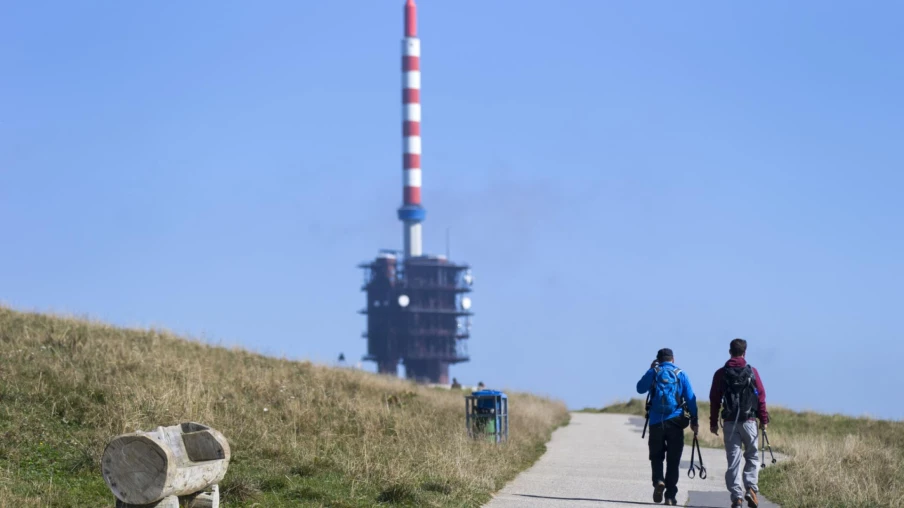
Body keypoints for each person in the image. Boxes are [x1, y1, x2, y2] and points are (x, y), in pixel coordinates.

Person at [709, 338, 769, 508]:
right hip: (749, 421)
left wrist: (713, 423)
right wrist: (763, 420)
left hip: (729, 423)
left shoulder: (721, 373)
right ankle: (750, 488)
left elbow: (715, 400)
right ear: (745, 352)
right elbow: (761, 397)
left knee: (733, 460)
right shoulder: (752, 371)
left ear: (730, 352)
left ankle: (737, 497)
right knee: (751, 456)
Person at [636, 348, 699, 505]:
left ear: (658, 359)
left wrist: (650, 369)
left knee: (656, 456)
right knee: (673, 460)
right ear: (673, 359)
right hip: (675, 422)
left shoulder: (654, 372)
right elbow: (690, 398)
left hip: (656, 422)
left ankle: (658, 481)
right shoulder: (680, 374)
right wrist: (694, 419)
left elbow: (640, 388)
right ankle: (670, 496)